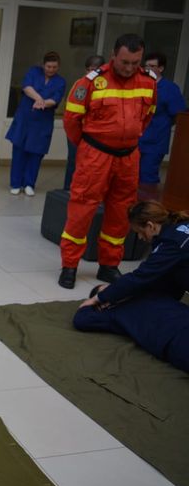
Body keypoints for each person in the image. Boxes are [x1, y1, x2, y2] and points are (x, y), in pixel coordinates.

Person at [58, 34, 157, 289]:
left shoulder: (148, 82)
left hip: (128, 157)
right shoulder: (90, 82)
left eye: (135, 63)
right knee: (82, 210)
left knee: (121, 212)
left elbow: (147, 116)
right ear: (114, 55)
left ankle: (109, 265)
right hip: (95, 155)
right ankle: (69, 265)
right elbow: (71, 121)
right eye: (124, 62)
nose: (129, 68)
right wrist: (88, 147)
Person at [74, 200, 189, 372]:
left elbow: (139, 278)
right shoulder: (177, 229)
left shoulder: (171, 244)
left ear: (150, 226)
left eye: (139, 233)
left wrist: (98, 298)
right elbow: (159, 279)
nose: (141, 238)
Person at [6, 51, 66, 196]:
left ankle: (29, 184)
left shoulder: (60, 81)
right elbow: (27, 87)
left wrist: (44, 103)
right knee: (19, 151)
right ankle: (16, 183)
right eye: (48, 66)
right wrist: (39, 99)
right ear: (43, 65)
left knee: (36, 153)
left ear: (58, 67)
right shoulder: (33, 72)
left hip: (42, 122)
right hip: (25, 119)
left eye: (54, 67)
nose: (51, 70)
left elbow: (56, 99)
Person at [139, 52, 187, 189]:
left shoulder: (169, 88)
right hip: (136, 140)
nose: (147, 69)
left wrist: (161, 126)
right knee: (130, 177)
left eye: (152, 66)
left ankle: (149, 202)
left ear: (161, 68)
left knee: (147, 177)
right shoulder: (141, 85)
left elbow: (179, 115)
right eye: (146, 66)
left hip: (154, 142)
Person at [64, 55, 105, 190]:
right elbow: (71, 115)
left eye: (94, 69)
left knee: (93, 166)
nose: (90, 73)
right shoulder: (80, 84)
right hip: (78, 132)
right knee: (74, 162)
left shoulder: (107, 86)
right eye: (88, 69)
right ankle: (68, 190)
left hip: (97, 134)